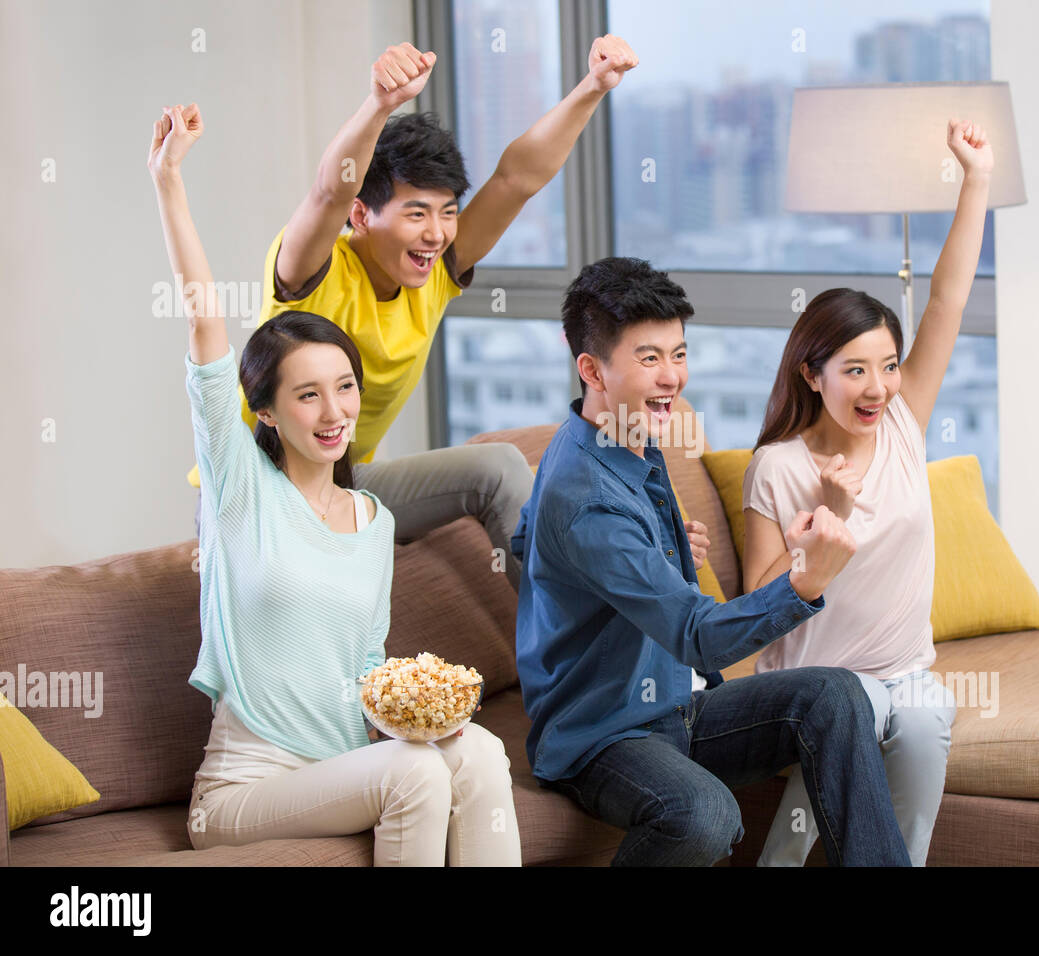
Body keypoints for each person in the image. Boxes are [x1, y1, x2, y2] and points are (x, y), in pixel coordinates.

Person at [151, 102, 521, 866]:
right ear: (266, 410)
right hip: (243, 791)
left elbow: (358, 675)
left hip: (347, 765)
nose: (333, 413)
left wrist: (418, 716)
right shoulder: (239, 491)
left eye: (344, 388)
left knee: (478, 753)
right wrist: (168, 181)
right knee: (415, 778)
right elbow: (204, 326)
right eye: (307, 394)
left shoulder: (373, 519)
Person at [189, 37, 641, 590]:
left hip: (343, 482)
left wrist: (592, 87)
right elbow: (329, 191)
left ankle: (574, 654)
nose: (436, 232)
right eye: (416, 212)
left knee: (496, 467)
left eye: (448, 212)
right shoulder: (314, 271)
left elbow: (516, 179)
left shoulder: (433, 271)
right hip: (254, 489)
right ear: (362, 214)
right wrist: (379, 103)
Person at [510, 257, 911, 866]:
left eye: (679, 353)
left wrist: (644, 553)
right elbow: (699, 636)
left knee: (835, 695)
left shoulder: (621, 433)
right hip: (603, 733)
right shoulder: (586, 495)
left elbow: (523, 539)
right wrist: (804, 583)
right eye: (649, 358)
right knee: (703, 815)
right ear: (591, 369)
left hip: (676, 705)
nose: (672, 377)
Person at [745, 119, 994, 867]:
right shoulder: (779, 468)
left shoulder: (905, 424)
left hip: (903, 677)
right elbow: (751, 607)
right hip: (813, 692)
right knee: (853, 721)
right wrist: (826, 527)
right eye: (854, 369)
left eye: (887, 365)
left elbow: (948, 298)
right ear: (810, 374)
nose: (878, 386)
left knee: (922, 718)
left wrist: (975, 179)